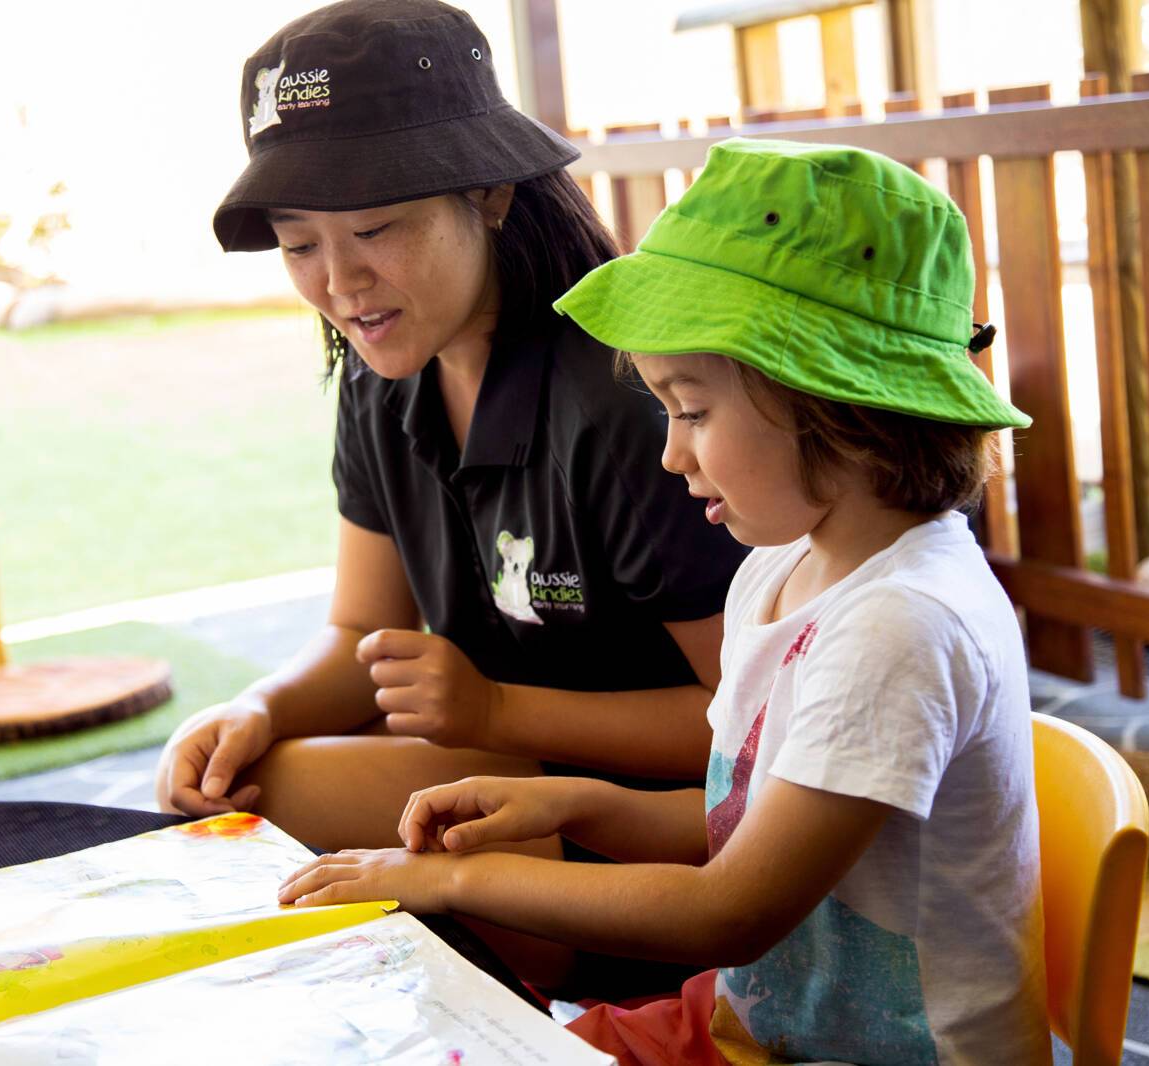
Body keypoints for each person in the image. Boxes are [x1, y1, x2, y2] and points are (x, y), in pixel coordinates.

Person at [277, 138, 1051, 1064]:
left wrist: (449, 881)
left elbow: (728, 912)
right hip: (751, 1025)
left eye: (692, 410)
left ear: (827, 400)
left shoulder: (903, 627)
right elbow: (739, 815)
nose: (670, 454)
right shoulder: (784, 569)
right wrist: (573, 806)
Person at [156, 0, 746, 859]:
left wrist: (499, 711)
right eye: (298, 246)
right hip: (509, 765)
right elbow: (360, 629)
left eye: (371, 229)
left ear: (491, 193)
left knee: (265, 807)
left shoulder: (624, 398)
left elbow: (755, 725)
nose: (341, 284)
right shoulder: (378, 375)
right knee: (221, 780)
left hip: (660, 826)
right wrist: (258, 707)